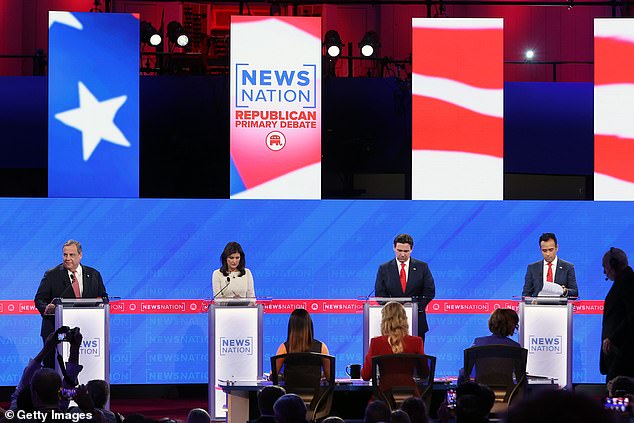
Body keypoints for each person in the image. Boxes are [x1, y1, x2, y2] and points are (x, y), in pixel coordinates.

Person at [34, 240, 106, 368]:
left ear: (80, 255)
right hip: (56, 331)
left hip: (89, 330)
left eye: (71, 255)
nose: (67, 258)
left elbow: (103, 297)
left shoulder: (94, 275)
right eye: (65, 255)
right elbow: (39, 299)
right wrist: (47, 308)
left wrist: (101, 306)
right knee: (54, 369)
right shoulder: (52, 275)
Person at [375, 234, 435, 339]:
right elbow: (380, 294)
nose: (402, 254)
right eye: (399, 250)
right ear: (394, 248)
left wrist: (415, 307)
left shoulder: (422, 267)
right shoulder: (384, 268)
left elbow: (429, 291)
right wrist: (394, 308)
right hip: (391, 322)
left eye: (406, 251)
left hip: (417, 320)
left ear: (411, 249)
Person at [361, 301, 425, 381]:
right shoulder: (416, 342)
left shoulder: (376, 342)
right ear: (404, 319)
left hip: (384, 392)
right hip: (411, 392)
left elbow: (365, 375)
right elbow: (424, 373)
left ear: (384, 321)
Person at [600, 247, 634, 382]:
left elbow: (632, 315)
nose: (604, 271)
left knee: (617, 397)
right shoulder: (623, 281)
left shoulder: (628, 281)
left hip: (623, 357)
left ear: (613, 264)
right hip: (618, 355)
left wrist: (613, 338)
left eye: (605, 266)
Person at [274, 308, 330, 378]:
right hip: (316, 389)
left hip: (290, 389)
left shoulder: (284, 348)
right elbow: (330, 377)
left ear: (291, 327)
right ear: (309, 326)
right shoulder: (322, 347)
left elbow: (273, 375)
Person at [522, 233, 578, 298]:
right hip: (538, 307)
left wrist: (564, 291)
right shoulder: (532, 268)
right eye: (544, 251)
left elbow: (575, 293)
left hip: (560, 307)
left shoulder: (568, 267)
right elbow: (526, 294)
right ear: (540, 249)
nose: (548, 254)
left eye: (551, 250)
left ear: (556, 248)